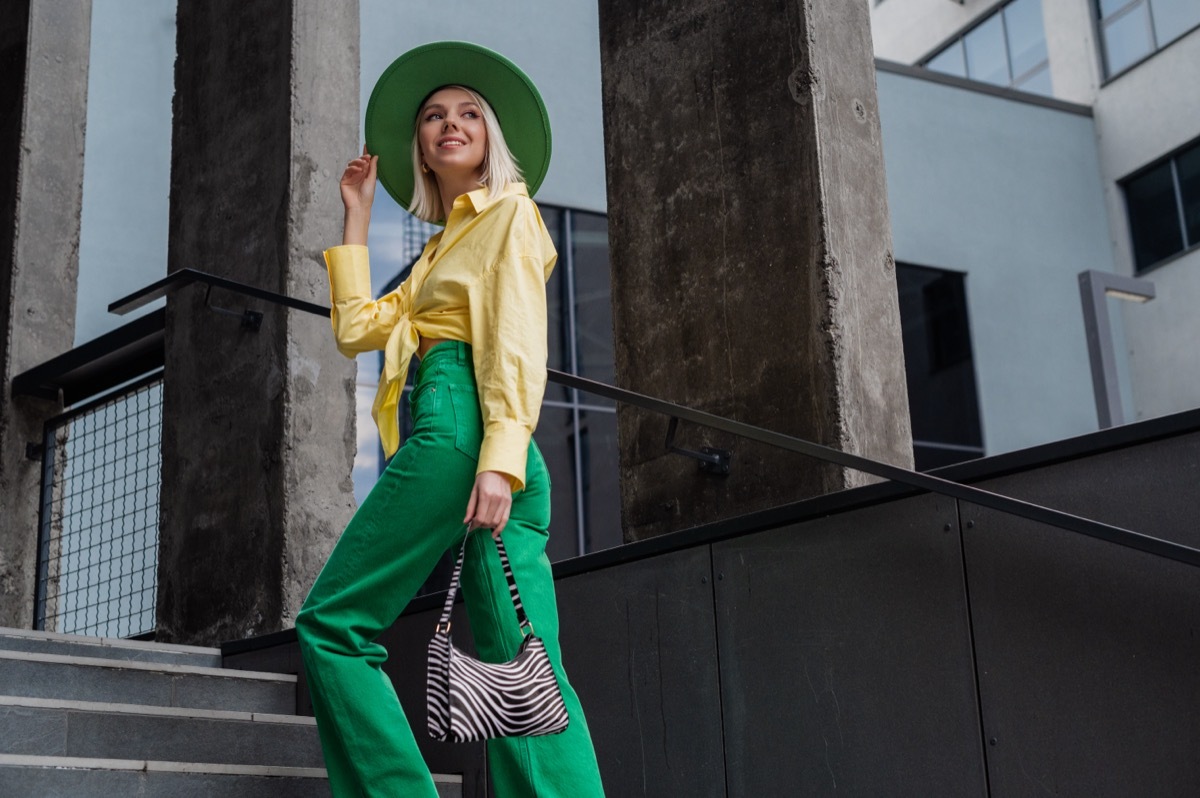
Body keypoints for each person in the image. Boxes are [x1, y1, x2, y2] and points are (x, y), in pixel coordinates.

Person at [294, 42, 606, 797]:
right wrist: (357, 217)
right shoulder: (440, 251)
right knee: (521, 660)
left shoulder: (508, 214)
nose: (449, 123)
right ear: (423, 152)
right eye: (434, 117)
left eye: (468, 112)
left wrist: (497, 456)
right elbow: (359, 328)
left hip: (470, 432)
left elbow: (517, 340)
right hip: (494, 446)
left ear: (490, 136)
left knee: (332, 625)